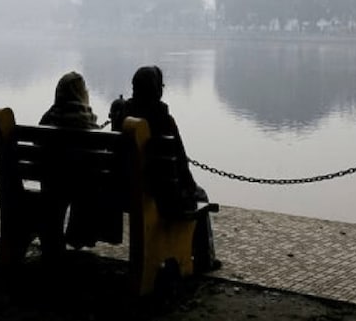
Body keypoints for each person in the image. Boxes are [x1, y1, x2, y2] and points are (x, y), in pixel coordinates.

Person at [109, 65, 221, 272]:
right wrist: (191, 187)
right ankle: (204, 259)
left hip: (122, 192)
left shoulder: (122, 117)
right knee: (200, 195)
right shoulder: (164, 120)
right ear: (157, 90)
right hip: (162, 194)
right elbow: (180, 164)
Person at [38, 72, 121, 253]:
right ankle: (78, 238)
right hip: (81, 189)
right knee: (89, 187)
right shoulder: (87, 124)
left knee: (58, 191)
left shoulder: (48, 119)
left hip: (52, 185)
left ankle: (55, 245)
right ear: (82, 94)